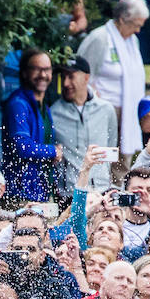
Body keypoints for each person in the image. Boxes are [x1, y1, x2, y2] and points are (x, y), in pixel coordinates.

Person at [78, 0, 149, 155]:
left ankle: (120, 182)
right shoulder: (99, 38)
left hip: (129, 109)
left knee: (122, 162)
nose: (138, 30)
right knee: (104, 157)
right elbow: (82, 75)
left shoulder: (132, 40)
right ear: (123, 19)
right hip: (103, 110)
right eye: (135, 25)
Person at [0, 49, 62, 203]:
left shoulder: (43, 107)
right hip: (20, 195)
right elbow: (22, 147)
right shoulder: (18, 104)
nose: (43, 75)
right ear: (25, 73)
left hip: (40, 192)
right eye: (37, 69)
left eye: (47, 69)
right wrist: (53, 151)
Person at [50, 55, 117, 196]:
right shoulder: (53, 113)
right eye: (63, 77)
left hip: (101, 190)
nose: (66, 83)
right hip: (69, 193)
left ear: (86, 77)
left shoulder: (106, 109)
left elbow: (111, 145)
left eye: (71, 77)